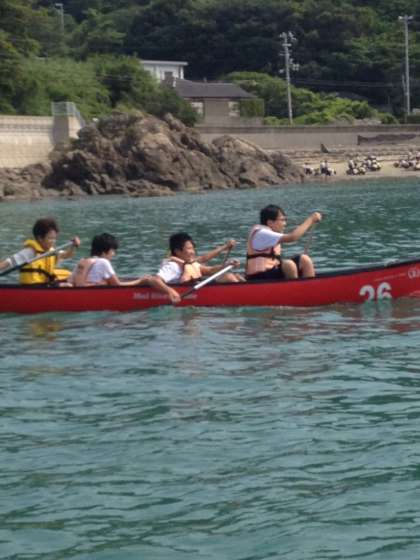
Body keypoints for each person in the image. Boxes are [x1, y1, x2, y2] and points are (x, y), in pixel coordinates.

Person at [69, 232, 181, 303]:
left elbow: (71, 281)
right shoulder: (103, 261)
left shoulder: (83, 261)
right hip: (92, 298)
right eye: (113, 251)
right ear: (104, 252)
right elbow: (117, 285)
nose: (114, 254)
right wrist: (140, 281)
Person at [246, 204, 322, 281]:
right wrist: (311, 219)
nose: (285, 224)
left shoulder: (272, 234)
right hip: (259, 277)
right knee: (288, 264)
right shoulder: (262, 233)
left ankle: (310, 286)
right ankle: (295, 288)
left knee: (304, 259)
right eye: (282, 220)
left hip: (272, 273)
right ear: (270, 223)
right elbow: (292, 237)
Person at [0, 217, 80, 284]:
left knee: (70, 281)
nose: (53, 241)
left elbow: (67, 255)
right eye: (50, 238)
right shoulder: (30, 252)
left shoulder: (52, 251)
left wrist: (73, 246)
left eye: (54, 238)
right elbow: (8, 262)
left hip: (45, 286)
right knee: (66, 286)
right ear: (40, 238)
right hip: (31, 288)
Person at [157, 232, 242, 285]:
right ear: (178, 251)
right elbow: (156, 280)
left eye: (193, 248)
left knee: (237, 276)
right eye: (189, 249)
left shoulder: (190, 262)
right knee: (229, 277)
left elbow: (210, 270)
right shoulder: (172, 266)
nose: (193, 252)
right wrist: (171, 293)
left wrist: (227, 265)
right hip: (188, 293)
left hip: (197, 284)